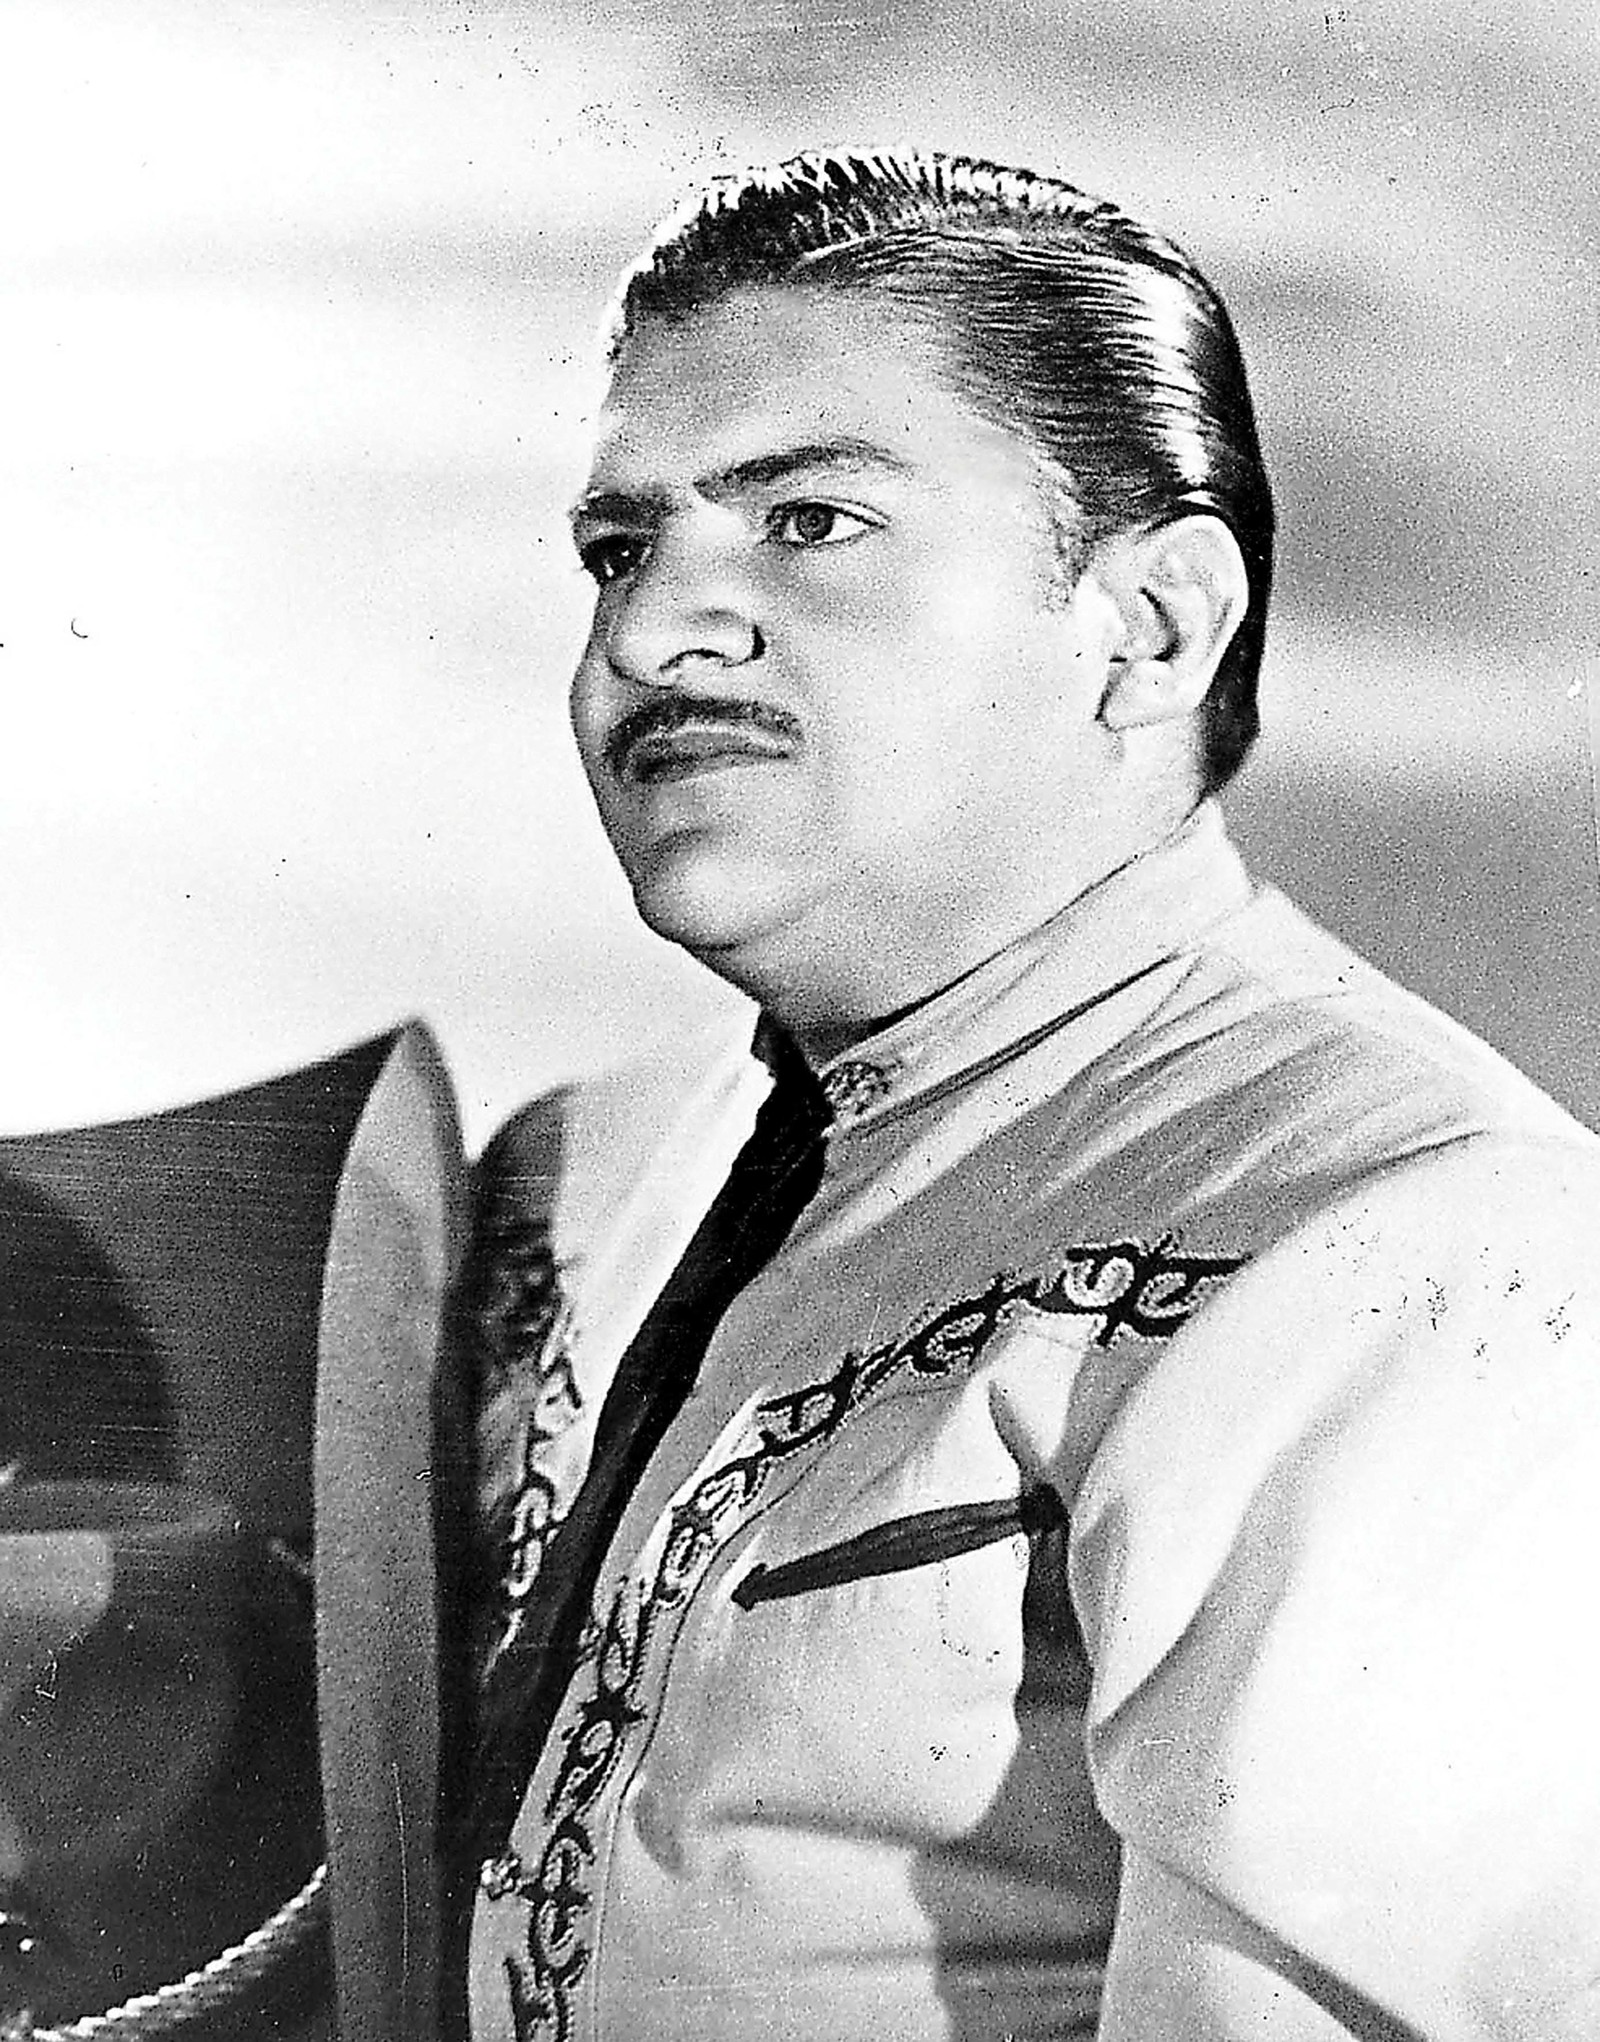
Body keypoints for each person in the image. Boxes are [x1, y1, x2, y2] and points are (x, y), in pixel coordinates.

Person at [453, 149, 1600, 2041]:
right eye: (619, 550)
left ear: (1151, 624)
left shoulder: (1413, 1237)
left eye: (810, 521)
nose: (652, 634)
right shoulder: (582, 1179)